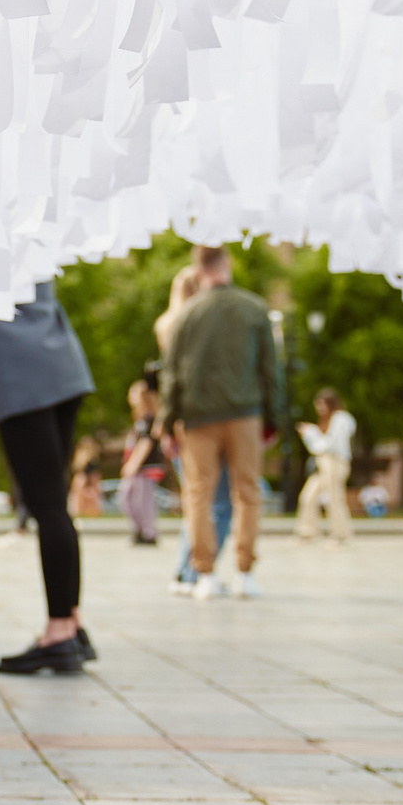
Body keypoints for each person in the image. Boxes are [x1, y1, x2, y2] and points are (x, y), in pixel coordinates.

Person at [0, 280, 99, 676]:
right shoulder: (34, 242)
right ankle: (72, 623)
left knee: (46, 506)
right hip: (62, 363)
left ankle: (58, 631)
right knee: (55, 506)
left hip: (18, 375)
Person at [158, 246, 280, 600]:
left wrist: (167, 424)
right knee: (248, 493)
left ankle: (204, 574)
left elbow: (171, 375)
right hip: (245, 414)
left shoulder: (186, 315)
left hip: (197, 418)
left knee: (198, 495)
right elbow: (270, 371)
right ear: (226, 264)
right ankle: (245, 572)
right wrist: (272, 419)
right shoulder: (254, 308)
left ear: (198, 269)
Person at [295, 388, 356, 545]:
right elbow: (320, 446)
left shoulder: (340, 418)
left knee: (334, 498)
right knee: (308, 496)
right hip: (322, 463)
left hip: (334, 462)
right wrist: (312, 433)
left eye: (322, 405)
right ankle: (307, 532)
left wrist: (310, 434)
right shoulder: (328, 421)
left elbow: (328, 445)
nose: (320, 409)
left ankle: (340, 534)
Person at [119, 378, 165, 547]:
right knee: (128, 498)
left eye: (134, 393)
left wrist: (133, 464)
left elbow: (146, 443)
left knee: (143, 500)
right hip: (139, 468)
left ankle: (148, 532)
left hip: (145, 467)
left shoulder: (149, 419)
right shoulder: (139, 420)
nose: (130, 396)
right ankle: (140, 528)